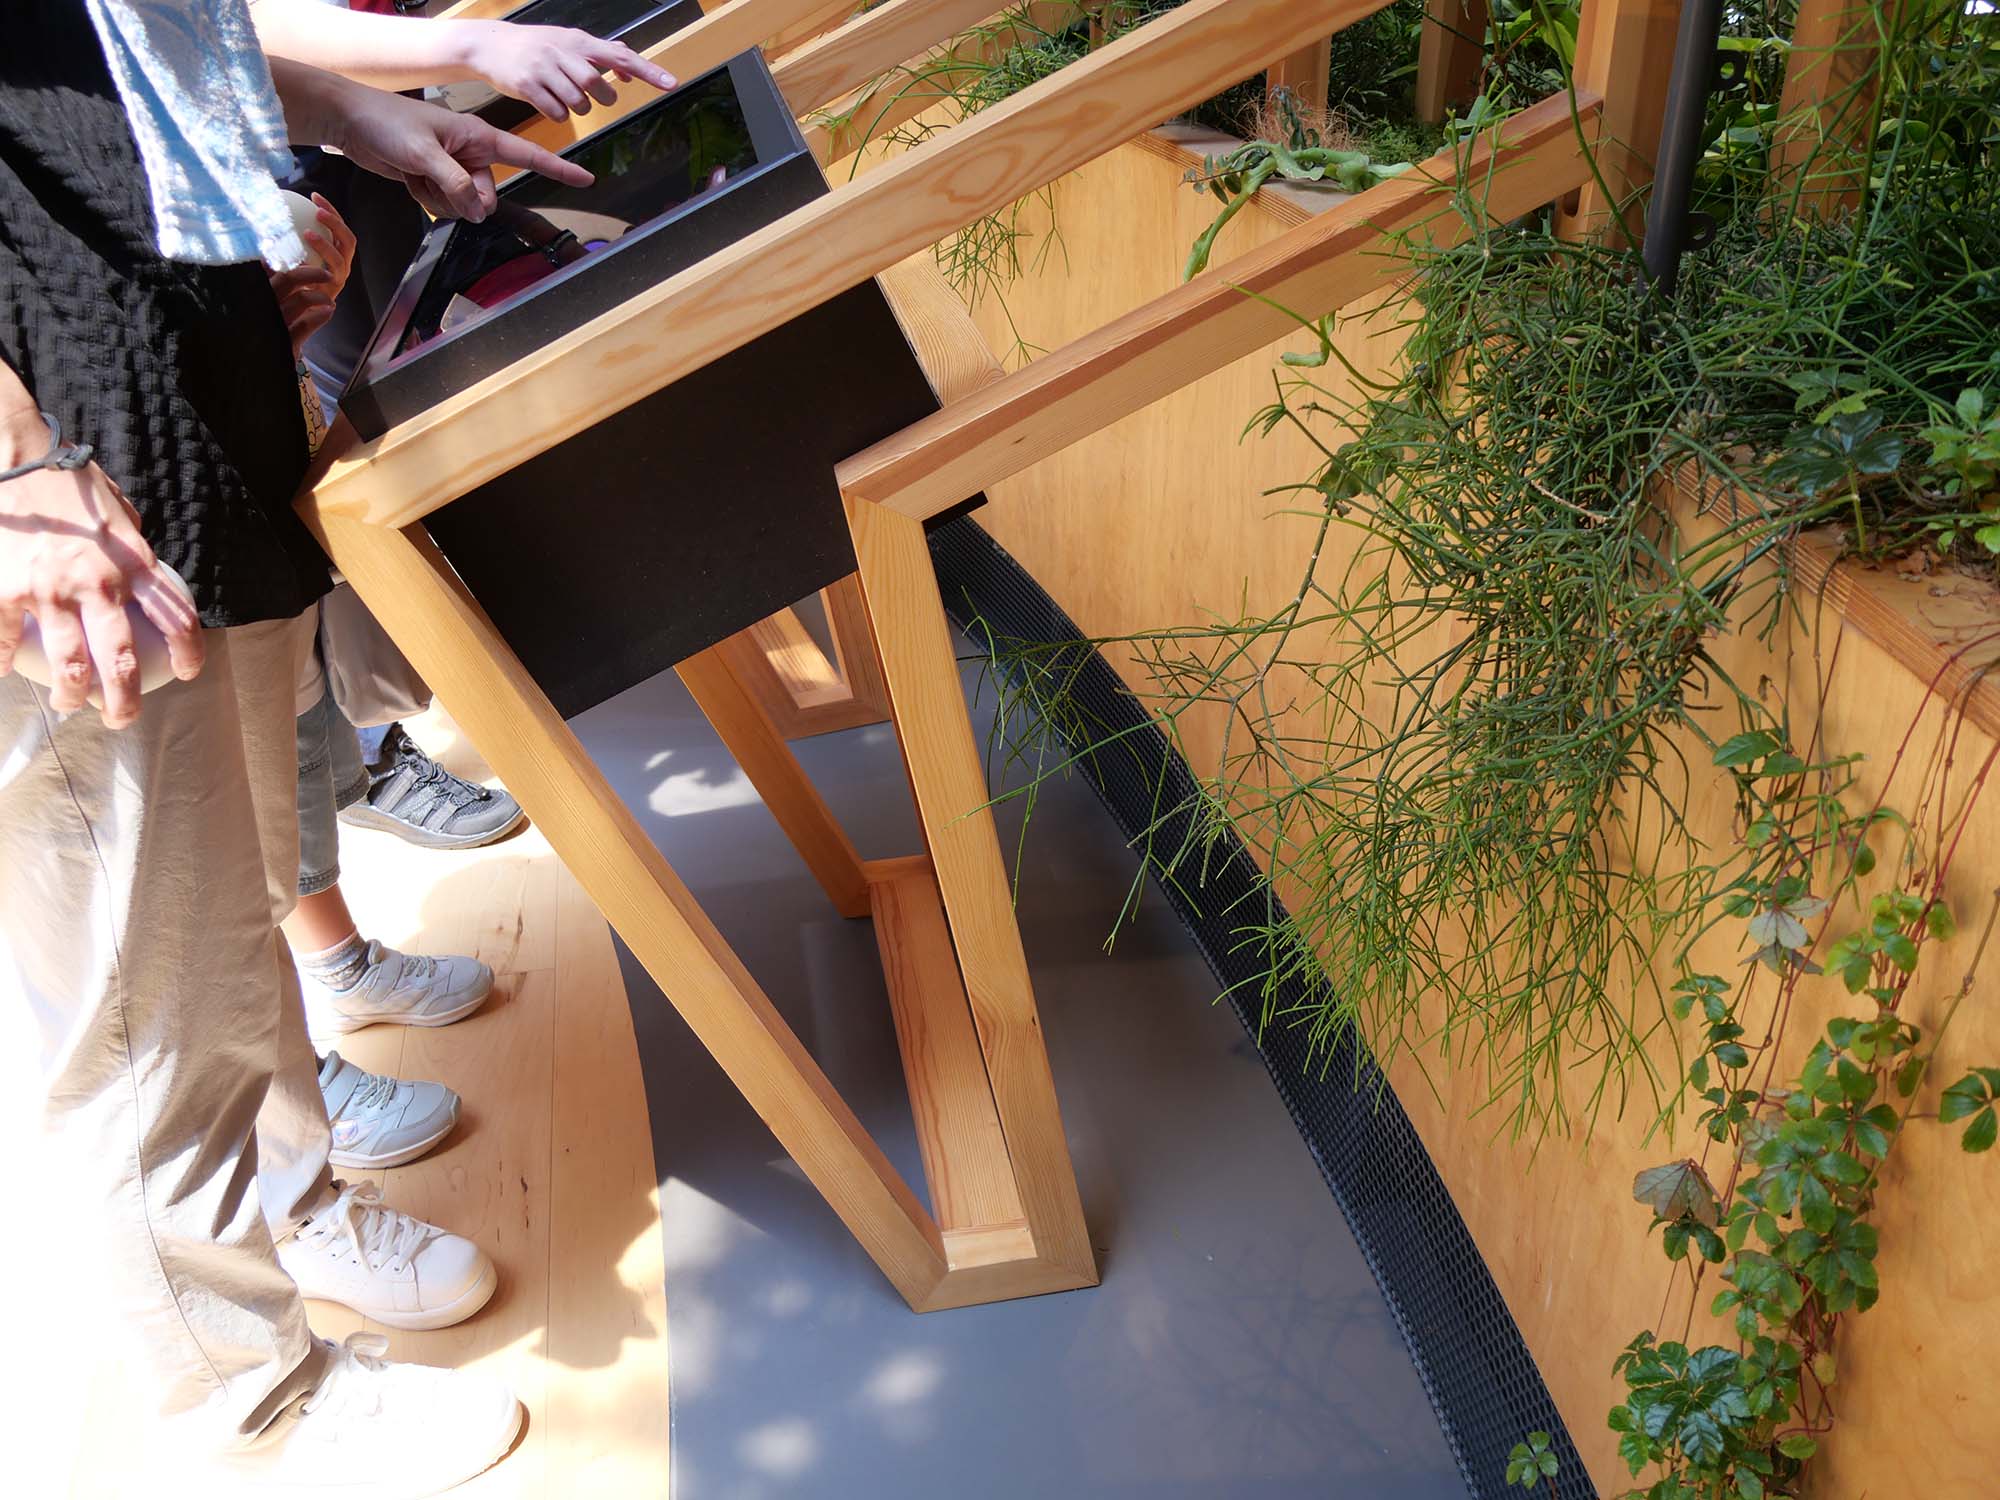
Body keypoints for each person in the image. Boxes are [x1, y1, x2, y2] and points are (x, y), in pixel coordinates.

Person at [0, 2, 609, 1490]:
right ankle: (254, 1403)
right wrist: (14, 470)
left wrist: (337, 119)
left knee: (229, 913)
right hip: (58, 496)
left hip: (167, 413)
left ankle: (294, 1200)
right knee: (142, 1003)